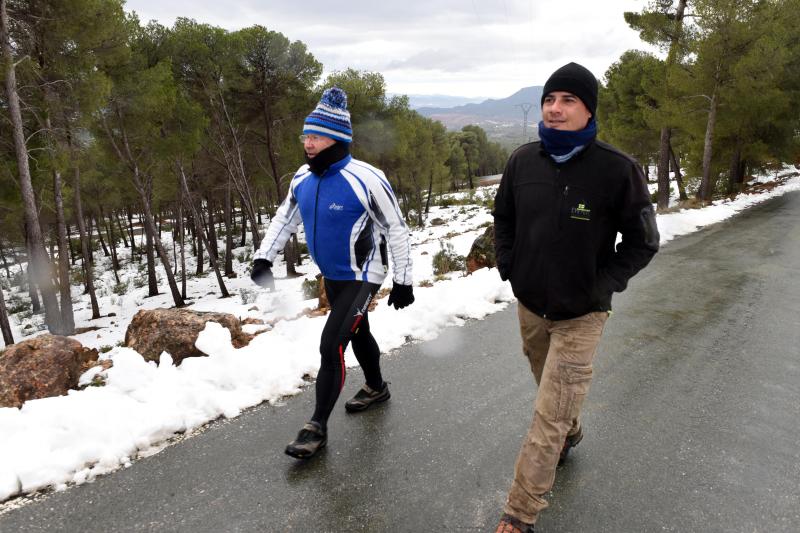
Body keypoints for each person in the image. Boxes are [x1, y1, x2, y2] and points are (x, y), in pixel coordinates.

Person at [492, 62, 660, 532]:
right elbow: (504, 217)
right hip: (530, 304)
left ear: (589, 110)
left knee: (548, 415)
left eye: (568, 100)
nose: (555, 108)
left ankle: (520, 511)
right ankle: (572, 427)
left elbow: (644, 241)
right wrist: (510, 266)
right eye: (549, 99)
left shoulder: (618, 169)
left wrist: (601, 285)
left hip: (583, 313)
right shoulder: (522, 161)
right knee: (550, 390)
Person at [250, 87, 414, 459]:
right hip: (332, 276)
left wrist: (403, 280)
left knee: (332, 344)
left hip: (363, 275)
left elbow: (396, 229)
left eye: (316, 136)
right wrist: (264, 258)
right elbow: (285, 219)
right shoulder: (302, 178)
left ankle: (316, 427)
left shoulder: (367, 178)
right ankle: (376, 387)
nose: (307, 143)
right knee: (358, 332)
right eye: (305, 135)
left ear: (337, 138)